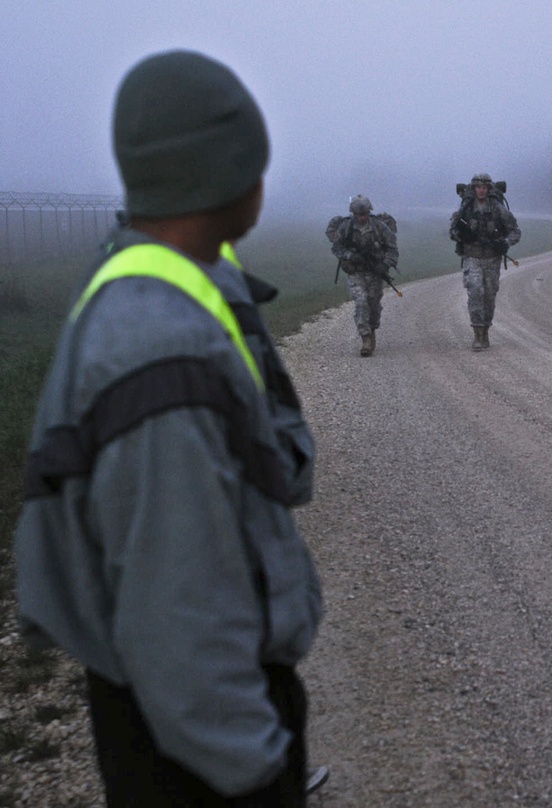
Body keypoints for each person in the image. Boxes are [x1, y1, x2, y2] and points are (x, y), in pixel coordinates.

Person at [14, 50, 323, 807]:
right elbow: (179, 619)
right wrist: (257, 776)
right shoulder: (160, 345)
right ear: (231, 174)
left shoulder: (157, 279)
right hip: (191, 755)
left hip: (158, 717)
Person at [449, 173, 521, 351]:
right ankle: (478, 333)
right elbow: (452, 230)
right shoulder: (466, 208)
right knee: (475, 291)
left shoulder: (498, 209)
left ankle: (486, 328)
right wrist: (461, 235)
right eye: (478, 187)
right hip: (472, 257)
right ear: (473, 189)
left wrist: (504, 243)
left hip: (491, 258)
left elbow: (515, 231)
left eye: (484, 187)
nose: (481, 190)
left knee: (489, 295)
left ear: (489, 189)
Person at [326, 194, 399, 357]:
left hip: (375, 273)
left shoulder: (380, 227)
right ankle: (365, 338)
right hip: (356, 272)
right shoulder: (346, 227)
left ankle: (372, 329)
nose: (362, 217)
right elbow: (336, 248)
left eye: (365, 214)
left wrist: (384, 264)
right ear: (353, 214)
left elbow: (393, 249)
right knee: (360, 301)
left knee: (373, 304)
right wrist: (351, 256)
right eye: (359, 214)